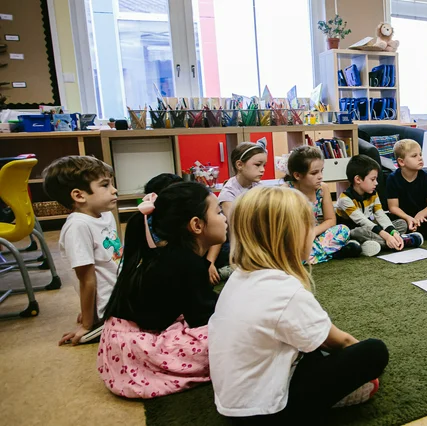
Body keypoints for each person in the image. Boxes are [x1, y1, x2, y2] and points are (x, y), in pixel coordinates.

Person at [209, 187, 389, 423]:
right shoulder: (285, 292)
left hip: (233, 402)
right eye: (309, 227)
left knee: (310, 341)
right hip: (268, 413)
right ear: (290, 236)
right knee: (374, 351)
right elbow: (341, 342)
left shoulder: (240, 276)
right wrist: (360, 367)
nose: (313, 234)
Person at [97, 182, 227, 398]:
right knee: (229, 336)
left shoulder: (172, 255)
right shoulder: (187, 263)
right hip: (136, 352)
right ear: (196, 225)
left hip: (119, 346)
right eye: (219, 212)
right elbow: (204, 318)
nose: (224, 219)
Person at [43, 156, 121, 346]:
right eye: (105, 185)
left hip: (122, 291)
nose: (114, 190)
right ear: (79, 196)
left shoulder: (105, 215)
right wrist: (88, 323)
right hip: (113, 307)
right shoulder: (77, 227)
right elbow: (87, 280)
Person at [336, 155, 424, 257]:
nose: (376, 183)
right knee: (359, 232)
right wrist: (386, 236)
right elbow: (362, 221)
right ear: (358, 179)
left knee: (402, 223)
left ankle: (386, 241)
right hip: (353, 231)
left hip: (371, 228)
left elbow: (380, 214)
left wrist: (393, 232)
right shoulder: (345, 199)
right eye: (372, 179)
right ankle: (403, 240)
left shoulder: (373, 194)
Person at [284, 145, 360, 262]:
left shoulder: (322, 189)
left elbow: (330, 220)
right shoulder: (285, 191)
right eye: (314, 173)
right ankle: (331, 254)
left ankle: (307, 257)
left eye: (321, 171)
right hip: (293, 238)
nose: (320, 176)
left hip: (314, 235)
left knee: (343, 230)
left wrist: (313, 232)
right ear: (297, 175)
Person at [206, 141, 267, 283]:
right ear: (239, 165)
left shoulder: (258, 186)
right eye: (258, 165)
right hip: (236, 244)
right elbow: (239, 227)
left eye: (264, 165)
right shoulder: (228, 194)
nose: (262, 170)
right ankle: (233, 269)